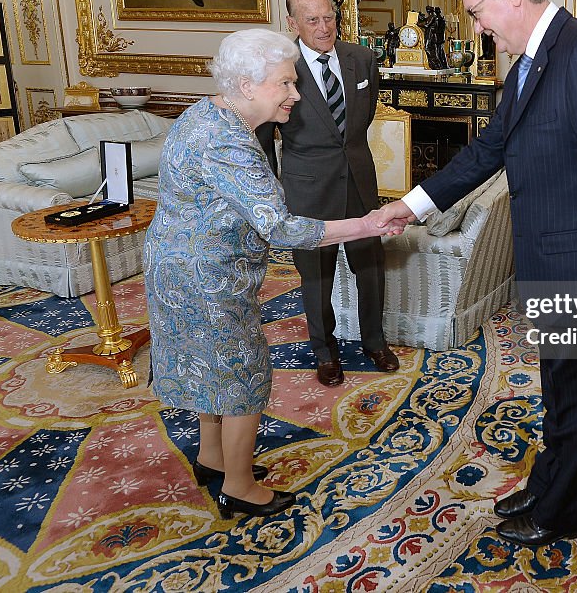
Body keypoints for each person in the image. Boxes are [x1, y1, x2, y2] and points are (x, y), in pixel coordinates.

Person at [375, 0, 577, 547]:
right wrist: (409, 205)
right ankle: (548, 486)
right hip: (552, 258)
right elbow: (487, 151)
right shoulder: (531, 62)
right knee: (560, 386)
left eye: (476, 12)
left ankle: (561, 513)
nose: (476, 27)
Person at [144, 29, 401, 519]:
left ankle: (214, 457)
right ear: (248, 85)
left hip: (179, 265)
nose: (296, 94)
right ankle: (239, 487)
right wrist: (366, 224)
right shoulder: (227, 142)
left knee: (214, 367)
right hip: (206, 278)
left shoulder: (206, 115)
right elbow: (281, 226)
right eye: (286, 83)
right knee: (243, 373)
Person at [256, 0, 397, 387]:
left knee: (370, 269)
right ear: (292, 24)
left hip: (359, 183)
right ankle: (325, 351)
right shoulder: (279, 68)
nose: (324, 27)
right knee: (315, 277)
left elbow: (362, 120)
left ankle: (375, 342)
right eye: (313, 20)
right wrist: (273, 193)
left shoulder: (362, 59)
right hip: (307, 191)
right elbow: (265, 139)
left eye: (330, 17)